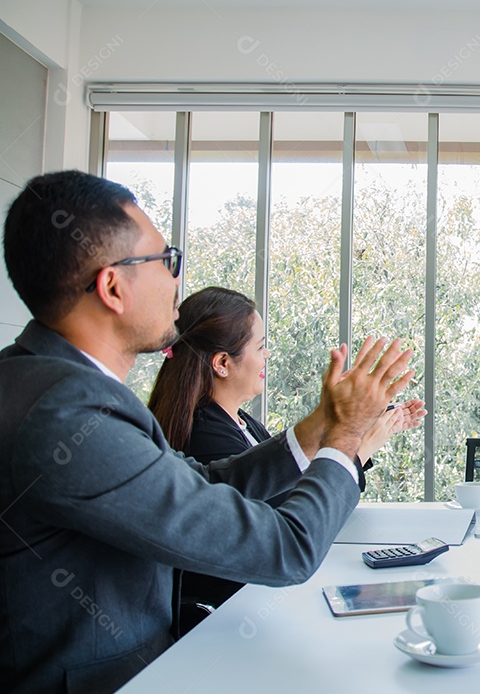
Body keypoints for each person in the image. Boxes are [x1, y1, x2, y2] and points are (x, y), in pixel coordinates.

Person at [0, 170, 418, 694]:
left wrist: (322, 426)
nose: (177, 279)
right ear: (112, 286)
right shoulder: (68, 414)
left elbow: (202, 483)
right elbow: (284, 550)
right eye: (166, 259)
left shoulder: (43, 380)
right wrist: (347, 436)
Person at [146, 286, 424, 609]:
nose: (267, 355)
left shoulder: (242, 422)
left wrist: (353, 425)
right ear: (222, 363)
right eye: (261, 346)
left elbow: (293, 475)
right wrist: (359, 444)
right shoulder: (205, 433)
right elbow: (290, 516)